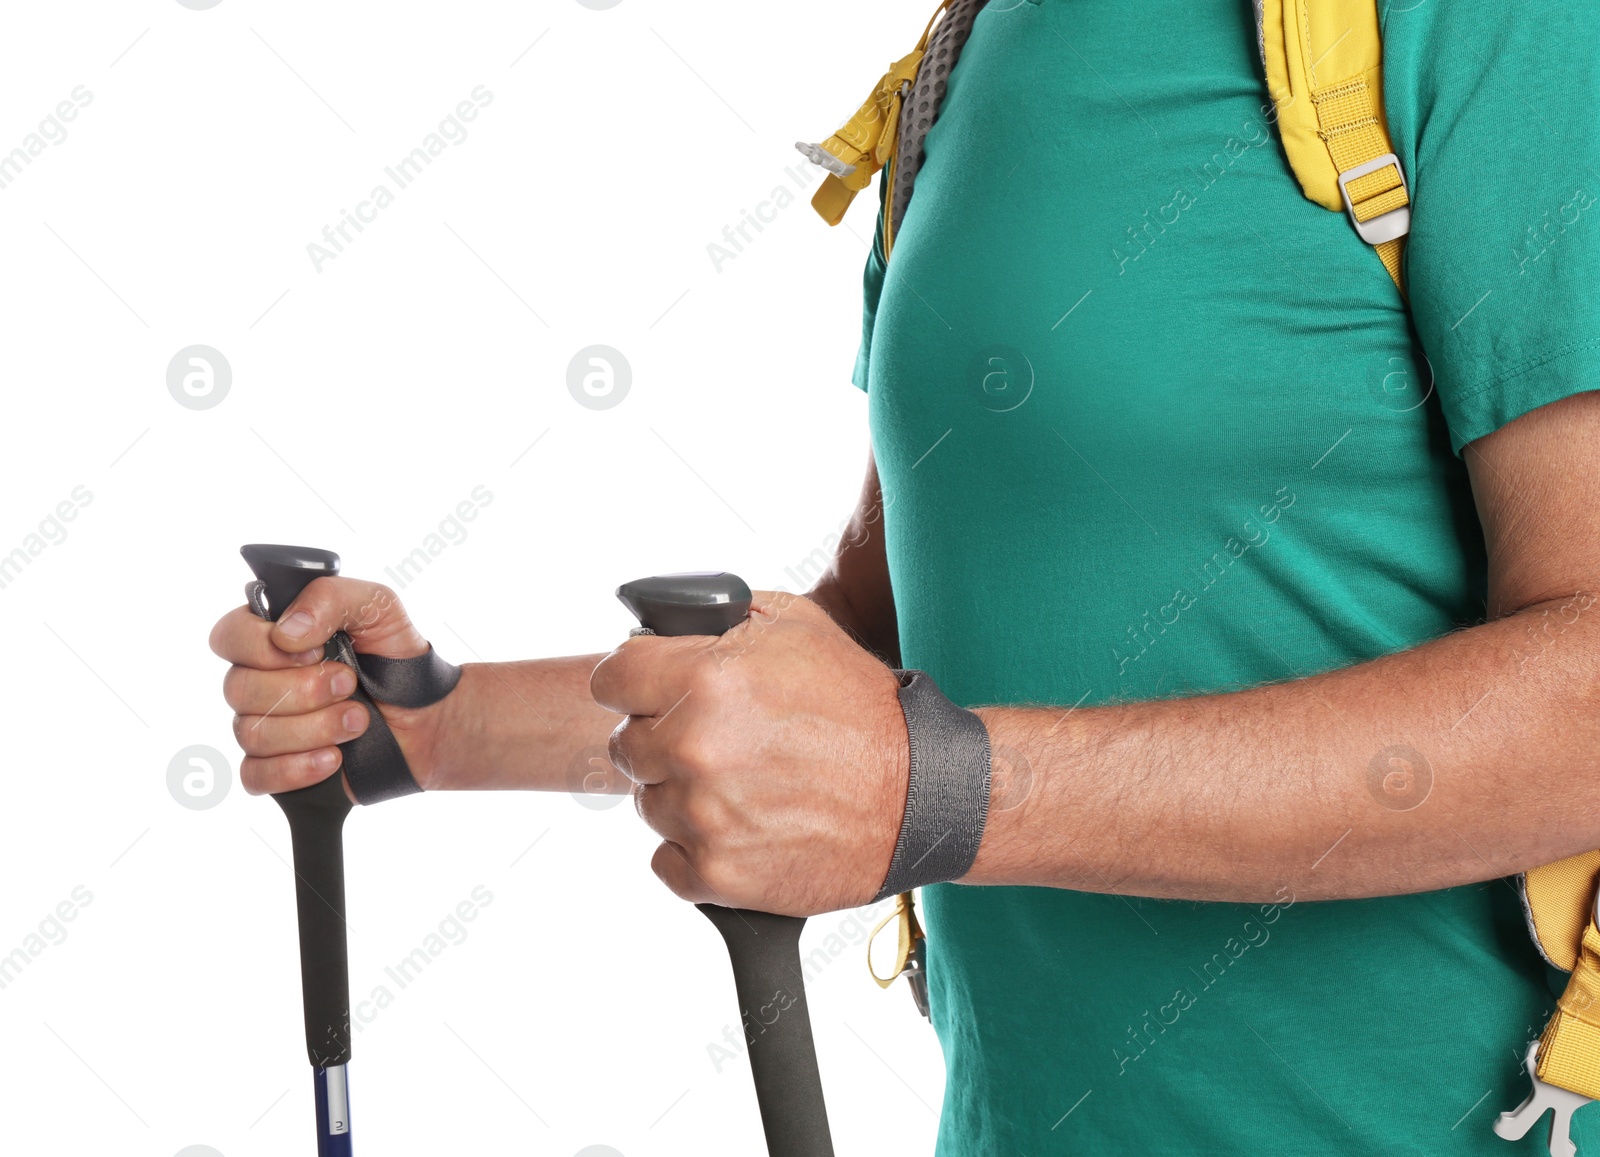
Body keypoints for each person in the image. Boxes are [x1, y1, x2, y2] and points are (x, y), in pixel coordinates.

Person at [211, 1, 1600, 1152]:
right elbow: (873, 665)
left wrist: (939, 792)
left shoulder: (1488, 25)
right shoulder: (972, 51)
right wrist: (424, 724)